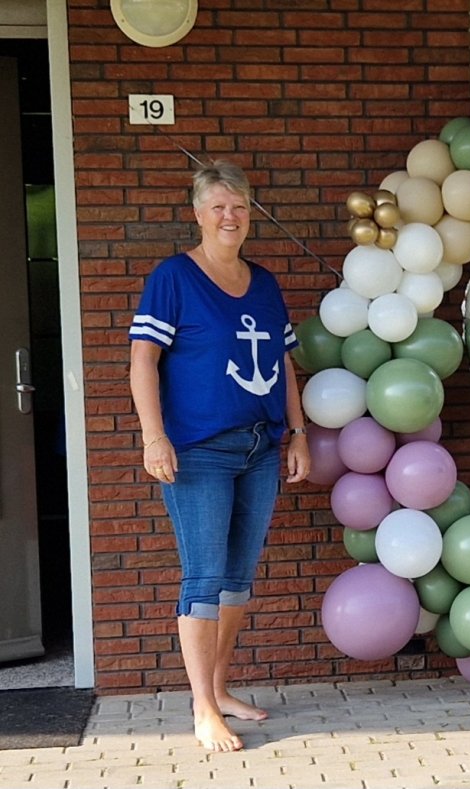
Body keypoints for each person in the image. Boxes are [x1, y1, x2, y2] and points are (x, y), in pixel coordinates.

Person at [129, 160, 311, 752]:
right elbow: (143, 362)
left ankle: (220, 688)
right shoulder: (174, 278)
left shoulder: (263, 282)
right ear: (198, 214)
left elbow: (283, 364)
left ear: (250, 213)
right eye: (218, 207)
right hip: (198, 451)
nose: (230, 217)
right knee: (204, 579)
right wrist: (154, 437)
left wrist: (299, 432)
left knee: (236, 581)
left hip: (260, 447)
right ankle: (203, 709)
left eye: (239, 207)